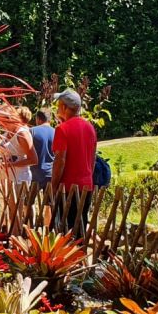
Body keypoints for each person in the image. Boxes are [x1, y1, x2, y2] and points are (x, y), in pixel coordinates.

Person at [50, 90, 97, 237]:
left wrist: (54, 185)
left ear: (64, 107)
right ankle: (80, 256)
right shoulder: (90, 127)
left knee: (65, 229)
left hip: (68, 187)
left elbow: (60, 160)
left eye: (59, 105)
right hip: (86, 185)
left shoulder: (62, 129)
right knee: (80, 225)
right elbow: (93, 158)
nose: (57, 108)